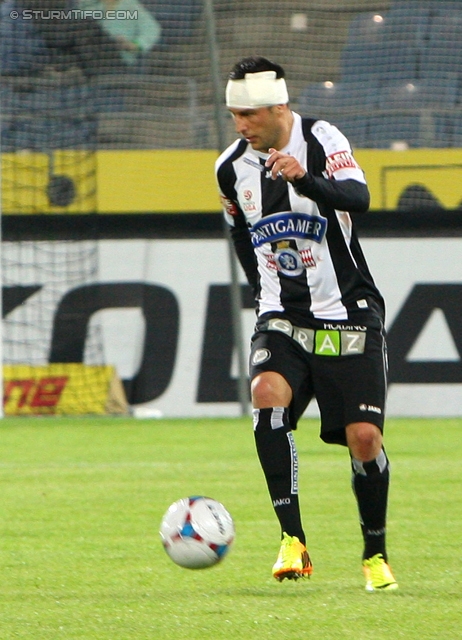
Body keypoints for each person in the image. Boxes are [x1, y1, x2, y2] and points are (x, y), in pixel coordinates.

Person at [215, 56, 398, 592]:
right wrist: (263, 293)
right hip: (282, 315)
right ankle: (292, 540)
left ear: (279, 107)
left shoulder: (321, 138)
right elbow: (240, 236)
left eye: (249, 114)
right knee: (265, 392)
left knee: (364, 438)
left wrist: (308, 180)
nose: (241, 125)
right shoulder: (229, 167)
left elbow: (359, 198)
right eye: (234, 115)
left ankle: (374, 553)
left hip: (349, 313)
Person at [77, 0, 162, 68]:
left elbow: (152, 29)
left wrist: (133, 45)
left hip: (119, 60)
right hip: (89, 58)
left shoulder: (130, 5)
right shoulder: (87, 5)